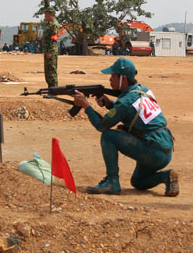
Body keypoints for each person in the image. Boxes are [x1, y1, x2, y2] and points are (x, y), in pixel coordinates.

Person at [72, 58, 178, 197]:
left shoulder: (125, 102)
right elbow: (131, 110)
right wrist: (110, 104)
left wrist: (86, 105)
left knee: (108, 136)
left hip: (153, 150)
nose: (110, 80)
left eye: (113, 76)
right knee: (138, 182)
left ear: (122, 78)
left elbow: (101, 126)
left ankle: (112, 182)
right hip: (165, 149)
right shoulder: (142, 89)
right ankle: (166, 176)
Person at [42, 0, 59, 87]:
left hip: (51, 52)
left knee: (51, 70)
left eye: (46, 14)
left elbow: (53, 40)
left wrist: (49, 52)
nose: (44, 15)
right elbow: (47, 7)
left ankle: (54, 88)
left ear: (51, 15)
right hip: (48, 51)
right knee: (47, 70)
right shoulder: (50, 23)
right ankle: (50, 88)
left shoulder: (54, 25)